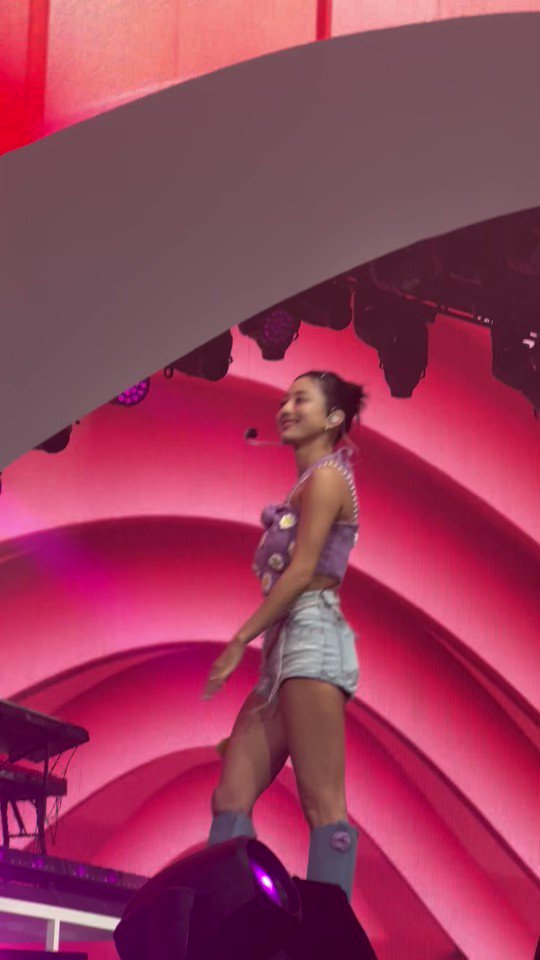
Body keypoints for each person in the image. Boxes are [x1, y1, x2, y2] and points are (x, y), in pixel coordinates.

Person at [202, 370, 368, 903]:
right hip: (283, 646)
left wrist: (238, 640)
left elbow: (301, 573)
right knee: (231, 795)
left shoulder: (329, 477)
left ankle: (327, 931)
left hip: (313, 638)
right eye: (284, 399)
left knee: (323, 805)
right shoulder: (304, 484)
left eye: (301, 400)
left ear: (333, 418)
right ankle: (232, 919)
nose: (286, 408)